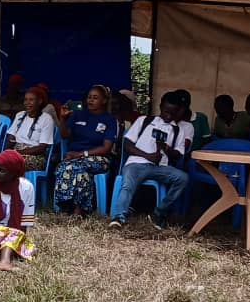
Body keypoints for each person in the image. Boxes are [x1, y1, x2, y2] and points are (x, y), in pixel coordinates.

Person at [109, 91, 190, 230]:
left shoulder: (178, 131)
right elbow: (127, 145)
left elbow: (178, 155)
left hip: (160, 168)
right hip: (136, 163)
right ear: (160, 106)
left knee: (183, 178)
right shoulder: (144, 121)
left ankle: (160, 212)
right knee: (127, 185)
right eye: (166, 112)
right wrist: (147, 156)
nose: (168, 116)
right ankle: (118, 217)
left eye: (173, 113)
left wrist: (165, 148)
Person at [54, 85, 117, 216]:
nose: (91, 100)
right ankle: (78, 209)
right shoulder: (78, 115)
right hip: (75, 158)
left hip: (100, 158)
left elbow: (106, 148)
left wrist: (81, 154)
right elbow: (65, 135)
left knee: (70, 167)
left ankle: (67, 207)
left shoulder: (109, 120)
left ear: (104, 101)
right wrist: (62, 119)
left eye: (95, 98)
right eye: (89, 97)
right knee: (77, 172)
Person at [0, 86, 53, 180]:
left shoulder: (46, 119)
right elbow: (11, 138)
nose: (27, 103)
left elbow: (42, 148)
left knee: (6, 162)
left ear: (40, 101)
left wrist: (18, 153)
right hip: (15, 152)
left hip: (35, 157)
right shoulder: (20, 115)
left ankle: (0, 188)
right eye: (25, 100)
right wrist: (6, 152)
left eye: (31, 100)